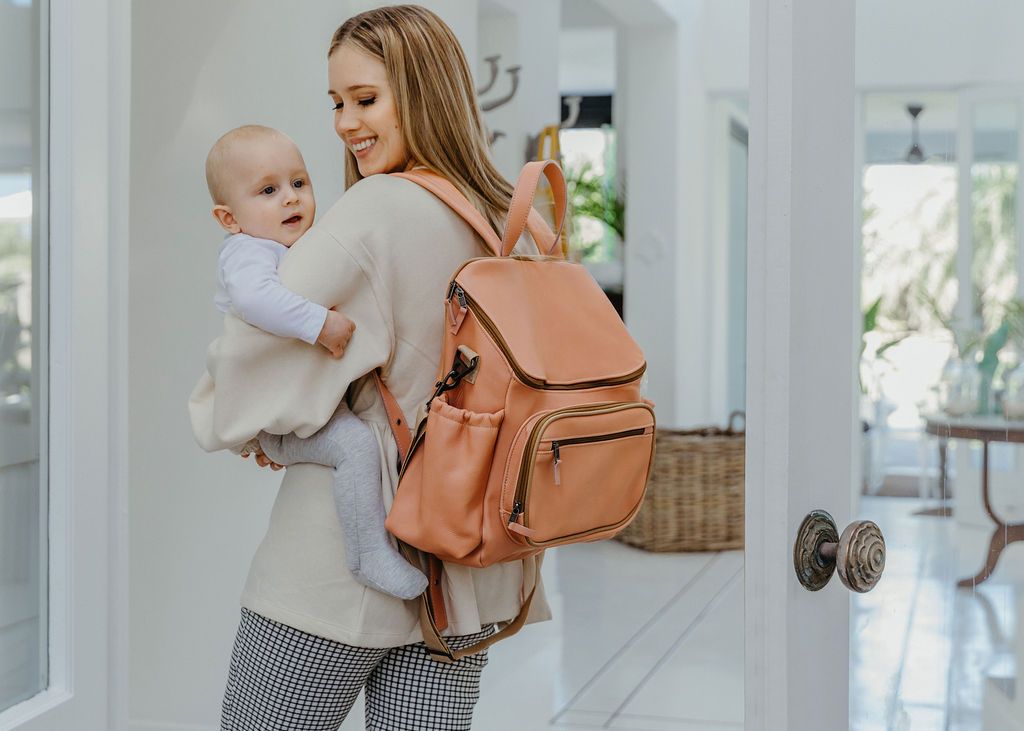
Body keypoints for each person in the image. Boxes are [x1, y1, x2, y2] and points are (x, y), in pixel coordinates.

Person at [188, 5, 550, 730]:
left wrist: (257, 429)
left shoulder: (374, 211)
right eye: (336, 103)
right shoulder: (503, 219)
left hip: (343, 564)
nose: (346, 124)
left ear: (420, 93)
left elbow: (241, 383)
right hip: (471, 563)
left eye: (365, 99)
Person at [202, 123, 429, 600]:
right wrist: (318, 324)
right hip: (275, 415)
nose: (290, 198)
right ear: (229, 218)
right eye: (268, 190)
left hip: (295, 406)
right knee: (356, 447)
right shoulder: (247, 252)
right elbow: (256, 299)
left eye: (298, 183)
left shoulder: (289, 246)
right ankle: (367, 554)